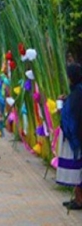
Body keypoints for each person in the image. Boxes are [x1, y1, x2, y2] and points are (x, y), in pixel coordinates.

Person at [57, 63, 82, 210]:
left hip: (76, 138)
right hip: (77, 136)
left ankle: (79, 200)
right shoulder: (77, 92)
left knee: (78, 169)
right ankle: (77, 198)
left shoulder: (78, 94)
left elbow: (72, 117)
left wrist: (61, 106)